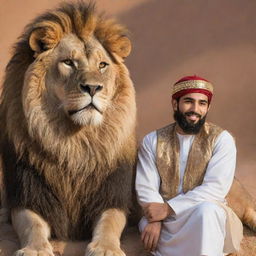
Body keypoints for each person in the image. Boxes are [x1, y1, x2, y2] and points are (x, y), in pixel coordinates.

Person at [135, 75, 243, 256]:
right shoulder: (152, 140)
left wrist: (167, 209)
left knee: (206, 212)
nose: (195, 109)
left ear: (208, 107)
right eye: (188, 101)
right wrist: (155, 219)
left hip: (204, 217)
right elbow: (146, 186)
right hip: (164, 220)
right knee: (146, 226)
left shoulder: (222, 140)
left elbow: (215, 188)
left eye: (202, 103)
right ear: (175, 104)